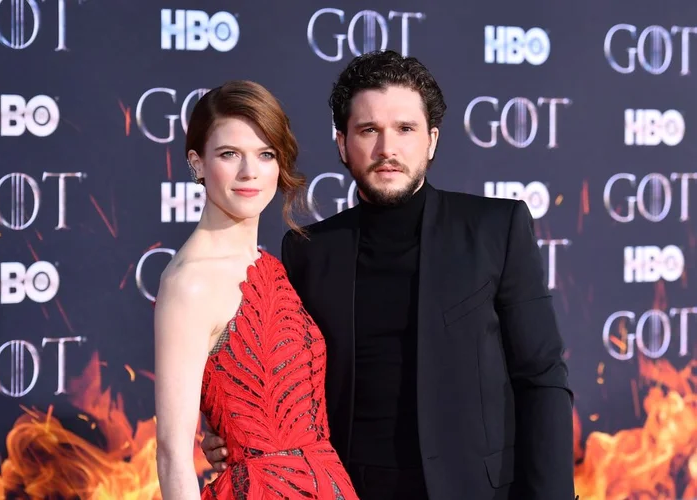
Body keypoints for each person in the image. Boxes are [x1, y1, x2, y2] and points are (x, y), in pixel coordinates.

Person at [202, 51, 577, 499]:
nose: (387, 150)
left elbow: (542, 377)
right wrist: (235, 436)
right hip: (343, 490)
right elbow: (286, 384)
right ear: (342, 144)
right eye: (368, 130)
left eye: (405, 128)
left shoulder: (495, 228)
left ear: (432, 140)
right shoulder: (307, 250)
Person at [154, 80, 359, 499]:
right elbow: (172, 453)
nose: (250, 172)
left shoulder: (271, 268)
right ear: (197, 164)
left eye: (265, 154)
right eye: (230, 154)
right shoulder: (189, 283)